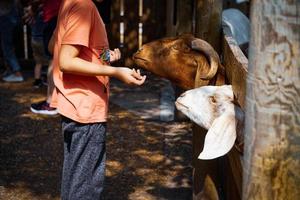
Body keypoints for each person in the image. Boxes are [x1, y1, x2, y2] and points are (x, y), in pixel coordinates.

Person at [50, 0, 146, 199]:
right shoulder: (84, 6)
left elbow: (55, 46)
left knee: (74, 179)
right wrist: (115, 71)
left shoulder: (70, 3)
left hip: (72, 105)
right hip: (86, 109)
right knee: (85, 187)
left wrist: (104, 56)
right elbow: (66, 60)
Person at [28, 0, 61, 115]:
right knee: (55, 60)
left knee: (54, 62)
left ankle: (51, 103)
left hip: (55, 18)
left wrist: (33, 6)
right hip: (57, 17)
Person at [0, 0, 24, 82]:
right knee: (8, 46)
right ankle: (11, 71)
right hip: (10, 16)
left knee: (7, 47)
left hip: (6, 16)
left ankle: (17, 73)